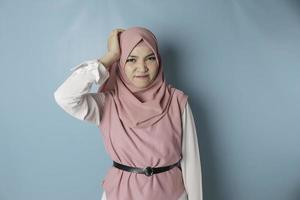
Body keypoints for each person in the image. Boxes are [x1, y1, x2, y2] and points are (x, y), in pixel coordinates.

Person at [54, 26, 203, 200]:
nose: (142, 68)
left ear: (159, 61)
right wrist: (109, 57)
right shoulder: (107, 103)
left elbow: (191, 163)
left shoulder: (177, 101)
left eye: (150, 58)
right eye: (131, 59)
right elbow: (65, 96)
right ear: (120, 61)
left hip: (173, 195)